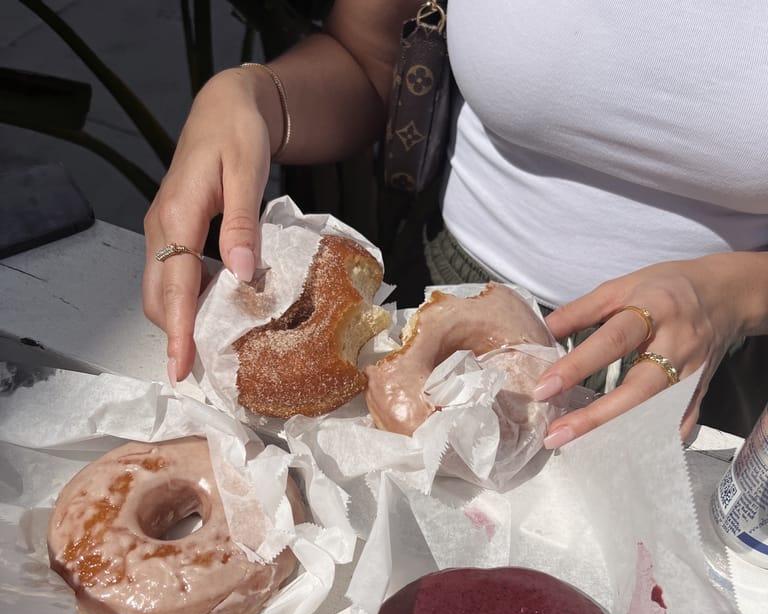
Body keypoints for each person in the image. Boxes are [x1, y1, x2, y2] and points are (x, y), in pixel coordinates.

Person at [142, 0, 768, 449]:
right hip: (432, 311)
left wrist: (736, 293)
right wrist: (251, 97)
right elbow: (368, 59)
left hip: (710, 356)